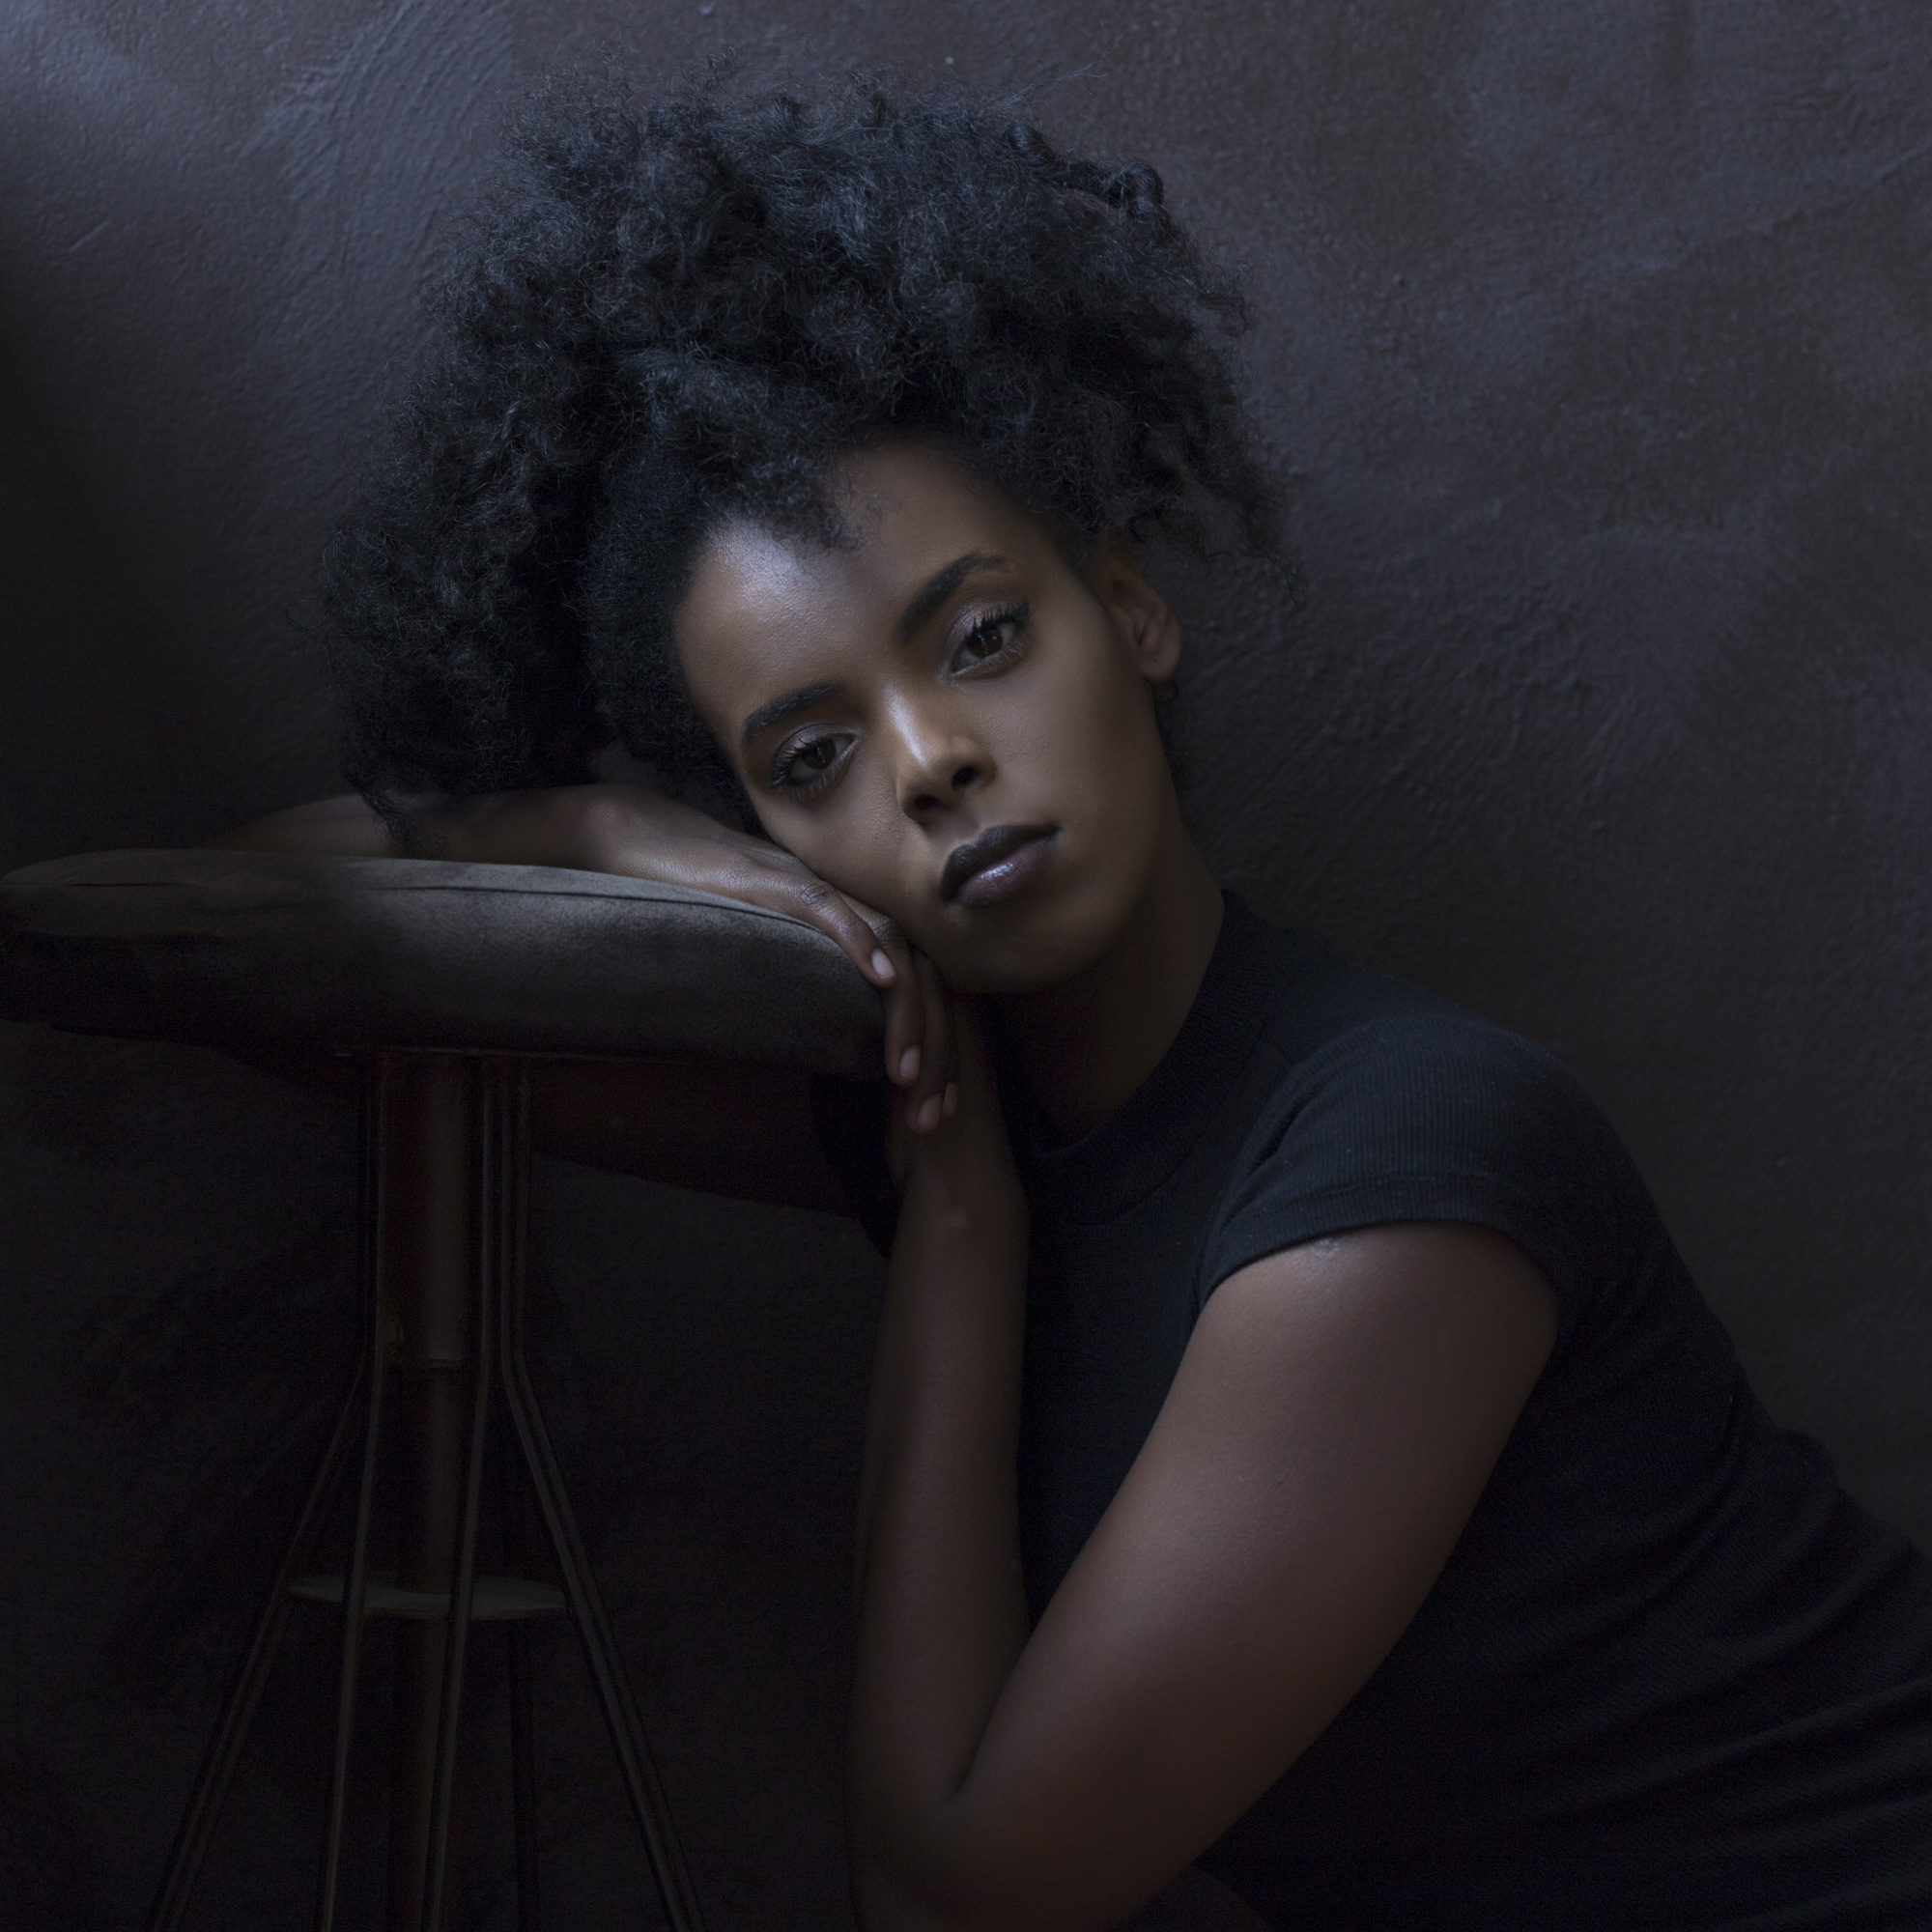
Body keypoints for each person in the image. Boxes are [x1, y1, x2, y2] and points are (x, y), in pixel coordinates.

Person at [226, 71, 1932, 1930]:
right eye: (812, 756)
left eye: (981, 639)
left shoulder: (1406, 1167)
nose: (932, 762)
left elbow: (955, 1899)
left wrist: (958, 1224)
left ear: (1129, 609)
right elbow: (260, 947)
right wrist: (587, 824)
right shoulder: (943, 1096)